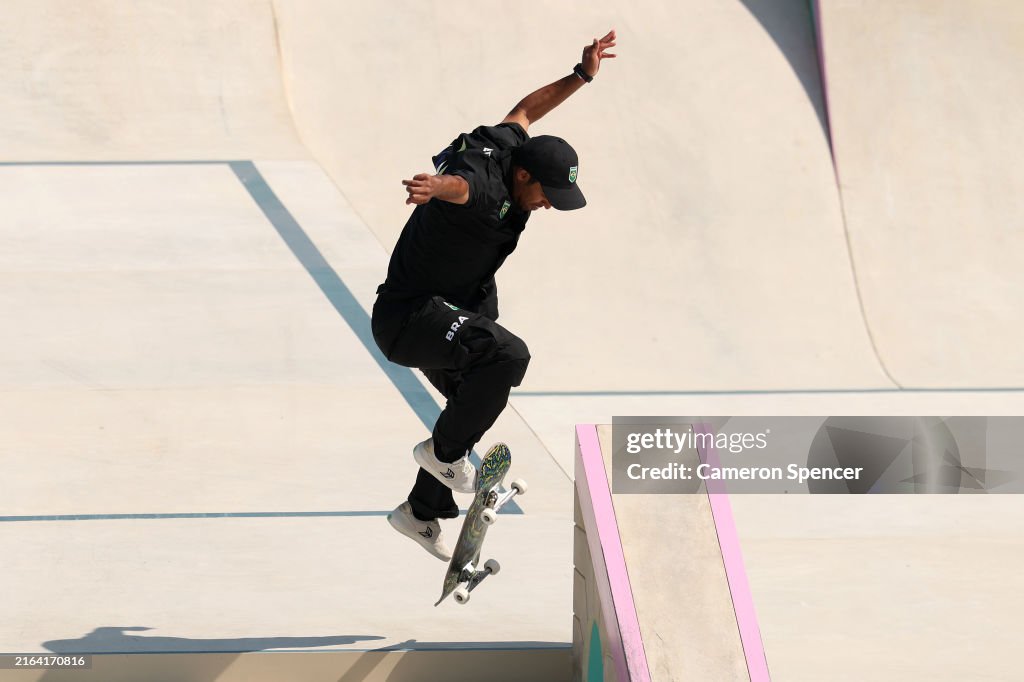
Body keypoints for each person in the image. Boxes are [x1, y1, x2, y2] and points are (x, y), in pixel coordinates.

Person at [372, 30, 617, 560]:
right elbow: (458, 186)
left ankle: (422, 510)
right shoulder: (482, 186)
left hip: (458, 304)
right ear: (522, 176)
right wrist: (433, 187)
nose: (548, 206)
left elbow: (528, 109)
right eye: (545, 195)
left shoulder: (509, 145)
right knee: (509, 354)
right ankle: (444, 454)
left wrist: (581, 75)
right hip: (411, 318)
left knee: (484, 388)